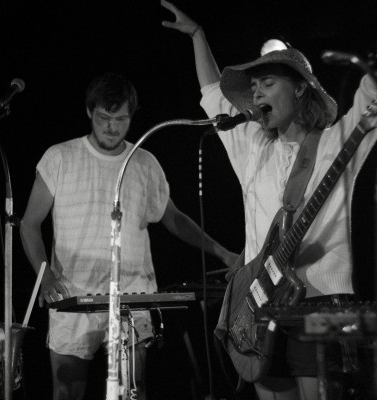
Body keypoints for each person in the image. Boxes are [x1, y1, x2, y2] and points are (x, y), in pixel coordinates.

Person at [161, 1, 377, 399]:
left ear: (300, 88)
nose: (256, 92)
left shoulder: (335, 141)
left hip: (323, 305)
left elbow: (370, 96)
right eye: (254, 86)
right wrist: (197, 35)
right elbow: (213, 95)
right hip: (261, 305)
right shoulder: (253, 148)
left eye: (268, 83)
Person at [19, 71, 238, 400]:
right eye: (104, 117)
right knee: (67, 392)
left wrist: (222, 252)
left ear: (132, 116)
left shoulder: (144, 163)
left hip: (133, 297)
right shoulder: (59, 157)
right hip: (71, 295)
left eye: (120, 119)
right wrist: (45, 275)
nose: (112, 127)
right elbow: (29, 223)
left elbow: (174, 219)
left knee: (132, 392)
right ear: (89, 112)